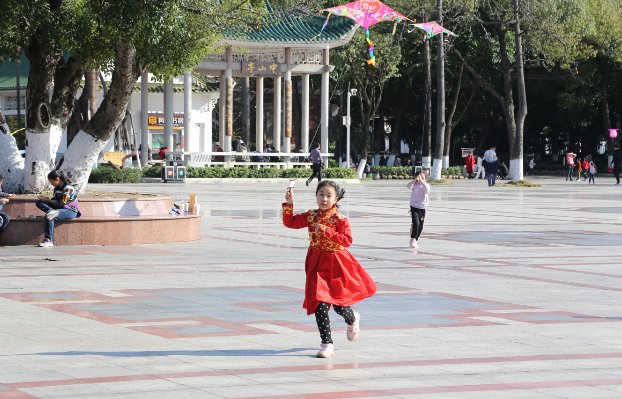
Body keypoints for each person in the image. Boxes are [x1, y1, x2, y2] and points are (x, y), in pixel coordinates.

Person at [282, 180, 377, 358]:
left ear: (336, 198)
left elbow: (347, 240)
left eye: (328, 195)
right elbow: (291, 223)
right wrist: (289, 204)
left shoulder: (340, 219)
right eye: (321, 194)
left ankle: (352, 318)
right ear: (316, 196)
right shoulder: (311, 215)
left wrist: (326, 231)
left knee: (340, 306)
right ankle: (327, 343)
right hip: (316, 263)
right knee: (320, 303)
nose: (324, 199)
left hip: (337, 264)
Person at [35, 171, 81, 247]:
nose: (51, 183)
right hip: (59, 208)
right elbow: (56, 200)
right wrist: (46, 199)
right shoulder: (57, 188)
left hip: (70, 210)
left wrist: (48, 200)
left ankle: (48, 240)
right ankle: (51, 210)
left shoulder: (68, 188)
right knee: (39, 202)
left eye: (51, 181)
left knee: (50, 215)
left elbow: (63, 202)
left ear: (57, 179)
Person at [407, 170, 430, 249]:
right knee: (416, 223)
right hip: (414, 206)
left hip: (422, 207)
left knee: (420, 226)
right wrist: (414, 180)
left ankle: (416, 239)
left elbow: (427, 190)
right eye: (419, 176)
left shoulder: (425, 185)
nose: (420, 179)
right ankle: (413, 239)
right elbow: (408, 186)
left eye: (422, 177)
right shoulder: (414, 184)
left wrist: (422, 181)